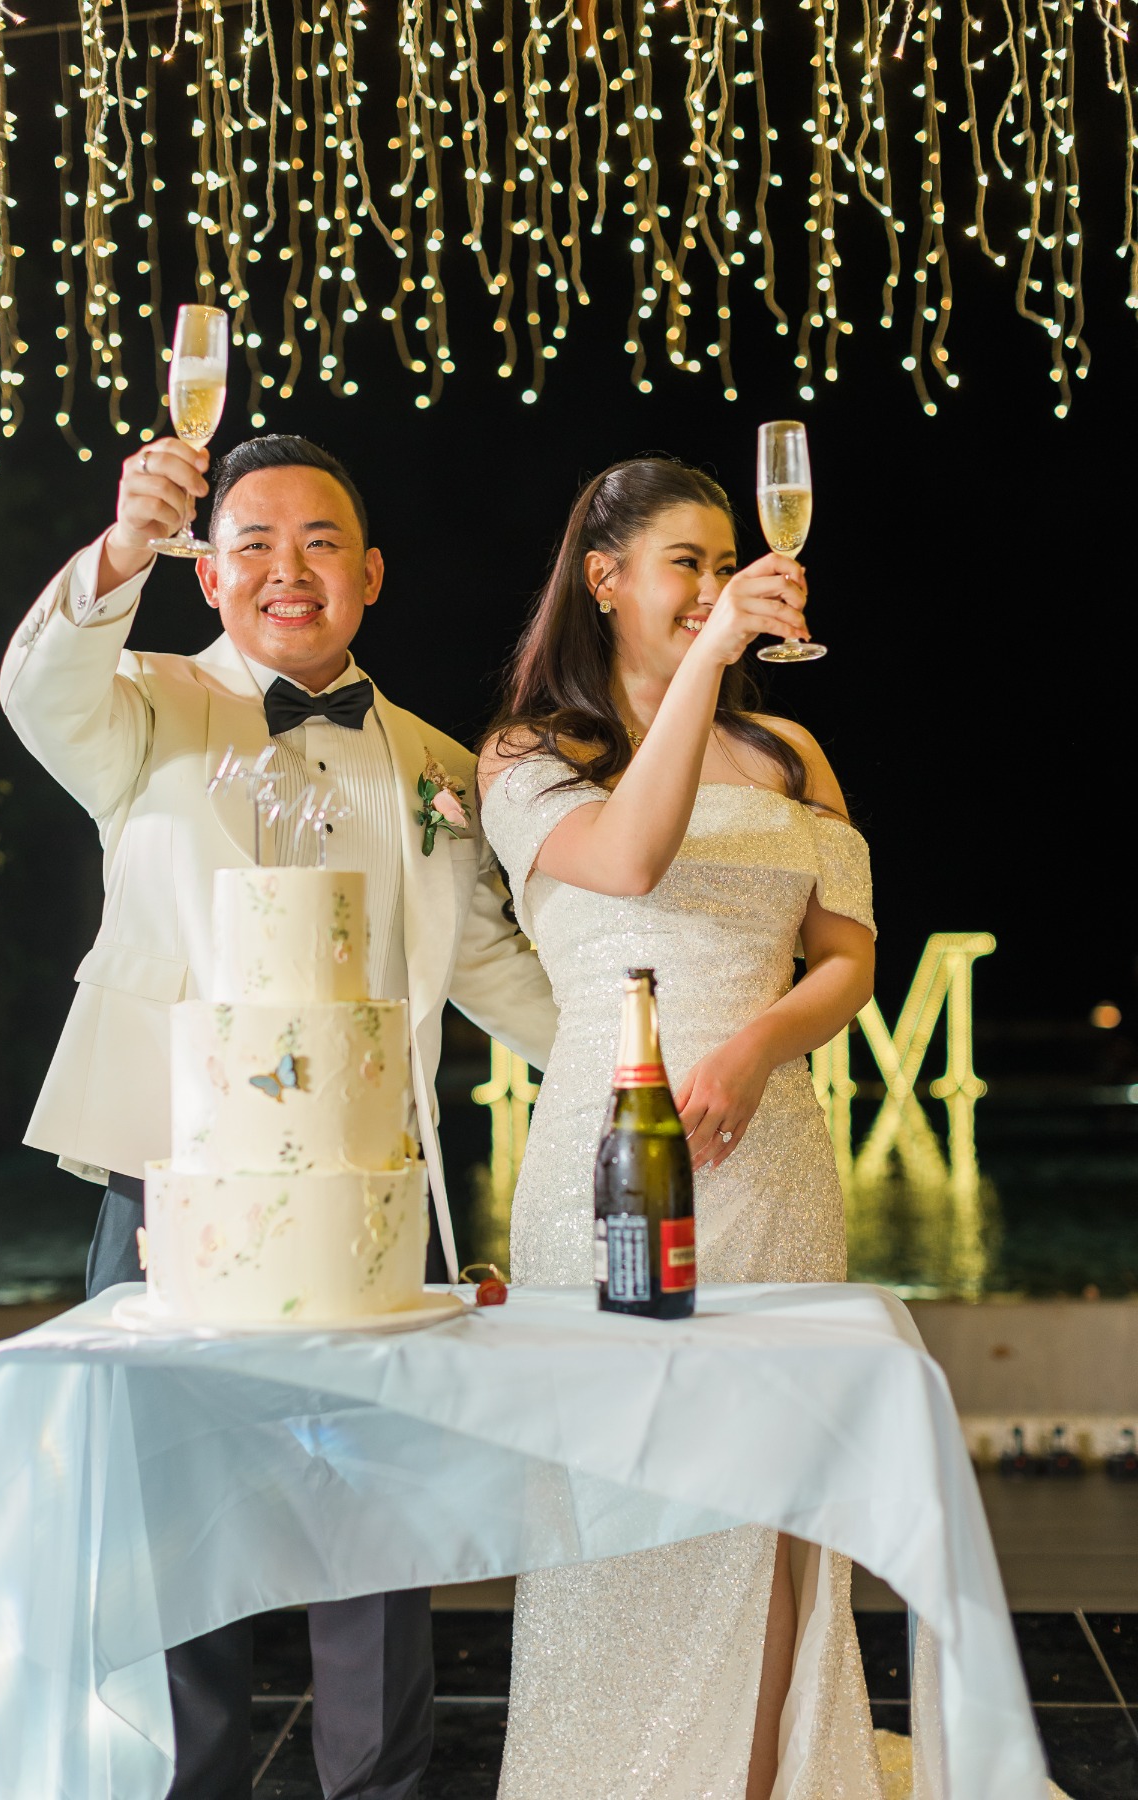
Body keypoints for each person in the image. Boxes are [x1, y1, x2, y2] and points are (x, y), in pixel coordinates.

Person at [0, 433, 557, 1800]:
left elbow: (493, 971)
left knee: (372, 1539)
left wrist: (668, 1051)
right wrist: (120, 549)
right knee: (175, 1531)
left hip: (368, 1200)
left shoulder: (435, 765)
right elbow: (37, 682)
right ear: (206, 572)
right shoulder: (142, 704)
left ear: (369, 575)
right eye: (251, 543)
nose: (286, 570)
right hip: (169, 1182)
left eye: (319, 544)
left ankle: (378, 1786)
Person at [477, 458, 882, 1799]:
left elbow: (846, 957)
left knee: (765, 1501)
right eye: (688, 564)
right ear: (607, 579)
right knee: (620, 1501)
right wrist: (716, 651)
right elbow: (635, 859)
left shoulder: (789, 755)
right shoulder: (528, 756)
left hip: (769, 1158)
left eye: (728, 564)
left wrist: (763, 1044)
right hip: (609, 1154)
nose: (718, 586)